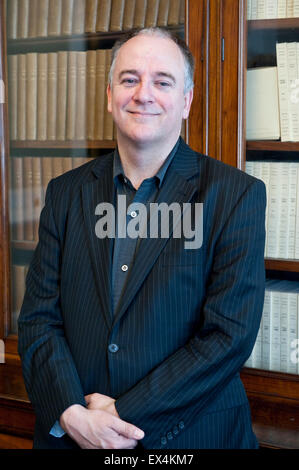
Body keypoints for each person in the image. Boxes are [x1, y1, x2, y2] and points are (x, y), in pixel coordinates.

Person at [18, 27, 266, 449]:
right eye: (129, 79)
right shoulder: (65, 193)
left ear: (186, 101)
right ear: (109, 94)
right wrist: (72, 414)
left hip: (191, 437)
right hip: (75, 435)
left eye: (162, 82)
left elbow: (228, 336)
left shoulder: (235, 195)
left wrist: (119, 416)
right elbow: (39, 320)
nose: (143, 94)